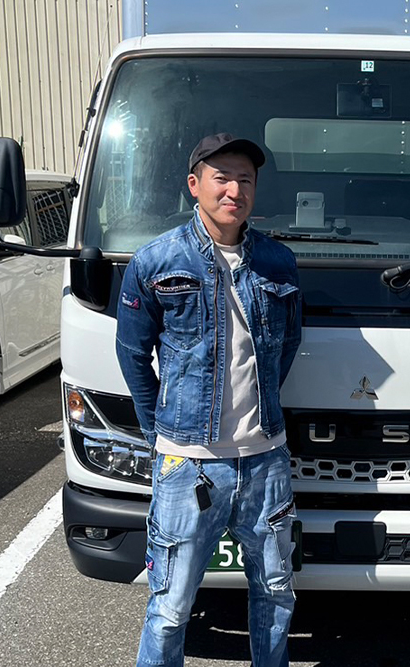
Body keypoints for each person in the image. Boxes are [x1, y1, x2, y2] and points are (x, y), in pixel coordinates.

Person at [115, 132, 302, 667]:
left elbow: (288, 344)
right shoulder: (156, 260)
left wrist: (262, 410)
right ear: (194, 185)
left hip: (266, 460)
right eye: (222, 178)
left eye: (245, 180)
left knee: (276, 595)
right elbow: (132, 354)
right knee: (171, 607)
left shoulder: (277, 262)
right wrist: (160, 434)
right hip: (187, 465)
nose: (234, 191)